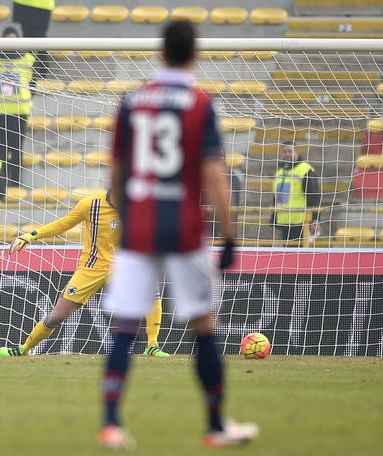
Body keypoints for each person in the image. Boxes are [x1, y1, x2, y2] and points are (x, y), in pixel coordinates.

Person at [97, 20, 257, 450]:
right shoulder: (200, 104)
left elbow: (115, 171)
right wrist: (229, 235)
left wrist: (130, 214)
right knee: (203, 329)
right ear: (195, 54)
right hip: (185, 229)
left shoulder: (132, 101)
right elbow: (213, 176)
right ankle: (216, 425)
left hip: (140, 226)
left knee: (124, 329)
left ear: (160, 53)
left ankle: (111, 424)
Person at [0, 189, 171, 358]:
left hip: (123, 266)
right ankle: (24, 348)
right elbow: (63, 224)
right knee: (58, 316)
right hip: (91, 267)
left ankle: (152, 345)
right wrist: (30, 236)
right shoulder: (91, 204)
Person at [0, 26, 35, 192]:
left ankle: (15, 183)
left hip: (19, 110)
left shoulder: (28, 59)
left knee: (16, 148)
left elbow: (33, 82)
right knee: (2, 149)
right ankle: (1, 183)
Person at [272, 141, 321, 243]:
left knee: (301, 256)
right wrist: (272, 224)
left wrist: (315, 220)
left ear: (296, 153)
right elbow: (276, 199)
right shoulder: (280, 172)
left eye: (290, 151)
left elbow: (315, 197)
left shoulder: (305, 170)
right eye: (284, 152)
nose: (287, 154)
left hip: (302, 223)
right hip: (284, 223)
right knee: (287, 256)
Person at [11, 0, 53, 79]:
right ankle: (32, 71)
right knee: (28, 37)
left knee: (39, 38)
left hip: (39, 5)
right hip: (26, 4)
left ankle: (41, 70)